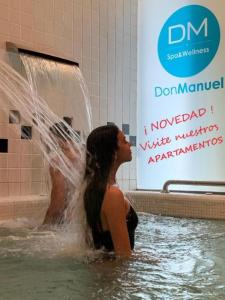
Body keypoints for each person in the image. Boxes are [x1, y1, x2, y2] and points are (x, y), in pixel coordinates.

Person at [84, 124, 138, 257]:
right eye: (124, 141)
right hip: (113, 275)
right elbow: (123, 255)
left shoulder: (93, 187)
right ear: (113, 152)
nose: (130, 144)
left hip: (103, 271)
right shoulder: (113, 195)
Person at [43, 122, 77, 225]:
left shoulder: (57, 162)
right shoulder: (85, 156)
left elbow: (58, 200)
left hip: (64, 222)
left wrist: (44, 225)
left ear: (56, 139)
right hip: (80, 221)